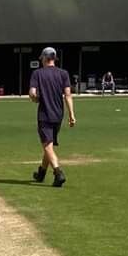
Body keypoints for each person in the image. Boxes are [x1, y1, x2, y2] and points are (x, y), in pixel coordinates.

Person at [29, 46, 75, 188]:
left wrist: (36, 99)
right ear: (54, 59)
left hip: (44, 114)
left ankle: (58, 172)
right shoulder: (64, 73)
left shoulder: (37, 74)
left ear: (44, 58)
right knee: (48, 145)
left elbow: (32, 93)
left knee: (47, 146)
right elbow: (68, 95)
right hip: (58, 114)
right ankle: (41, 173)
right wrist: (72, 115)